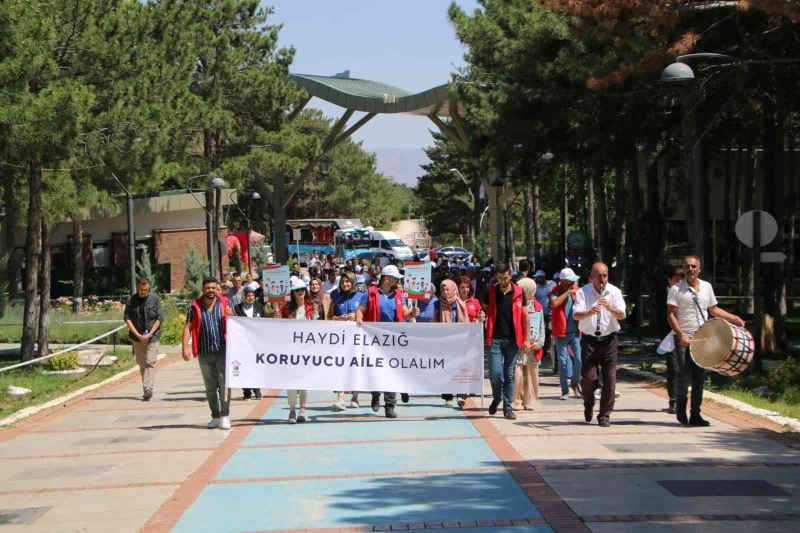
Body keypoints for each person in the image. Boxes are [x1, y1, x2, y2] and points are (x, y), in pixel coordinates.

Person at [667, 255, 744, 427]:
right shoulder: (676, 289)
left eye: (694, 266)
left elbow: (713, 309)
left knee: (699, 378)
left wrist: (733, 318)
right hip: (683, 339)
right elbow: (671, 314)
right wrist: (680, 335)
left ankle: (695, 414)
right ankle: (680, 409)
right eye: (687, 266)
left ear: (699, 269)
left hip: (703, 338)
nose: (691, 269)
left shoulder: (707, 287)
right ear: (683, 269)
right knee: (684, 377)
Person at [355, 264, 419, 418]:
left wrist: (412, 314)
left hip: (394, 339)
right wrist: (359, 319)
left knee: (391, 371)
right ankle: (376, 394)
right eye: (396, 278)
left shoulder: (398, 294)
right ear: (387, 279)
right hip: (374, 338)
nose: (398, 281)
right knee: (375, 370)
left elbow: (404, 314)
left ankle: (390, 406)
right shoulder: (371, 292)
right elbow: (360, 310)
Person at [573, 263, 626, 427]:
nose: (602, 279)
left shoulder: (614, 292)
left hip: (609, 340)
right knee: (588, 379)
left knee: (610, 379)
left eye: (605, 275)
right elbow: (576, 315)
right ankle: (588, 404)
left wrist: (609, 307)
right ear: (592, 276)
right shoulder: (583, 292)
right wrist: (590, 312)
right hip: (589, 340)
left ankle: (605, 415)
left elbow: (622, 315)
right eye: (599, 276)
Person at [182, 277, 234, 430]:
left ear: (217, 288)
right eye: (207, 288)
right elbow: (187, 328)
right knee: (210, 387)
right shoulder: (194, 306)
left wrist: (231, 315)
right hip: (204, 352)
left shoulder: (225, 303)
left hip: (223, 350)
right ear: (203, 289)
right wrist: (185, 347)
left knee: (224, 384)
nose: (210, 290)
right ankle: (215, 416)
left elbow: (237, 325)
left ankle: (225, 415)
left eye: (213, 287)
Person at [481, 262, 531, 420]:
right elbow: (483, 309)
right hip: (495, 338)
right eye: (500, 278)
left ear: (510, 275)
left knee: (509, 375)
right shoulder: (491, 291)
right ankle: (497, 398)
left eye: (505, 277)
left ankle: (508, 408)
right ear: (496, 276)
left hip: (513, 340)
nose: (503, 281)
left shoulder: (518, 292)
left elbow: (525, 317)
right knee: (495, 374)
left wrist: (527, 339)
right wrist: (481, 315)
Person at [437, 279, 484, 407]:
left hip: (461, 340)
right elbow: (434, 321)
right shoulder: (438, 304)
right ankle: (447, 396)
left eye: (448, 289)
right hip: (445, 341)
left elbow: (468, 320)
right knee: (447, 368)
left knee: (461, 367)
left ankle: (461, 394)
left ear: (453, 289)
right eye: (443, 290)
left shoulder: (460, 304)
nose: (445, 292)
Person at [279, 277, 320, 423]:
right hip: (290, 351)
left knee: (304, 381)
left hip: (307, 351)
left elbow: (318, 328)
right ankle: (291, 410)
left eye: (302, 289)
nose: (300, 292)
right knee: (290, 382)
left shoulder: (312, 307)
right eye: (297, 290)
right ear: (293, 293)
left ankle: (303, 409)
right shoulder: (285, 309)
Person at [123, 277, 163, 401]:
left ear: (149, 288)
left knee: (150, 362)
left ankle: (148, 389)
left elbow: (159, 318)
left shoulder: (155, 299)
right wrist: (138, 335)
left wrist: (150, 334)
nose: (143, 292)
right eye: (141, 290)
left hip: (153, 337)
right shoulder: (131, 300)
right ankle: (146, 387)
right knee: (142, 364)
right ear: (137, 287)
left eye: (145, 290)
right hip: (137, 337)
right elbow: (127, 318)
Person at [327, 272, 362, 410]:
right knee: (339, 366)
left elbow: (366, 315)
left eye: (347, 281)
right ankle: (340, 398)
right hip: (340, 338)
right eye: (342, 282)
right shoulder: (335, 296)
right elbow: (329, 316)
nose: (345, 284)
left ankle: (355, 397)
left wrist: (356, 315)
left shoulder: (361, 296)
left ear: (353, 282)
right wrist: (338, 318)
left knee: (356, 366)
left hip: (357, 337)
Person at [549, 267, 582, 400]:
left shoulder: (577, 290)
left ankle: (574, 383)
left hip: (574, 331)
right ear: (563, 281)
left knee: (579, 360)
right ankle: (564, 390)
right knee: (562, 362)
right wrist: (567, 293)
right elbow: (554, 303)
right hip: (560, 332)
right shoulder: (554, 291)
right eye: (570, 281)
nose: (573, 283)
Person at [515, 276, 545, 411]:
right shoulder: (520, 304)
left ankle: (526, 400)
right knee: (521, 371)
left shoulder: (524, 305)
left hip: (529, 343)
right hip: (523, 342)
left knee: (528, 371)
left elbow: (541, 325)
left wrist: (539, 343)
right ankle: (520, 400)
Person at [233, 286, 266, 400]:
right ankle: (246, 391)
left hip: (256, 343)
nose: (251, 298)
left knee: (255, 366)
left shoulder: (259, 307)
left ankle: (257, 390)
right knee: (243, 367)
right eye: (248, 296)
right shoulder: (237, 308)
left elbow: (264, 323)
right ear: (244, 296)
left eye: (252, 295)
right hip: (242, 343)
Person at [662, 267, 685, 414]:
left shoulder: (684, 293)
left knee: (684, 367)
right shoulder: (662, 294)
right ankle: (674, 401)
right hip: (669, 335)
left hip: (685, 333)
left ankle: (683, 400)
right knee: (673, 366)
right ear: (669, 280)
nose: (679, 283)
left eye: (682, 280)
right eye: (677, 280)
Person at [533, 270, 556, 371]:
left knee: (550, 336)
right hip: (539, 314)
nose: (537, 279)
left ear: (543, 277)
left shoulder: (552, 284)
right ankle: (543, 352)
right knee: (542, 334)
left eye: (538, 277)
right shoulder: (535, 287)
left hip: (550, 314)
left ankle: (551, 356)